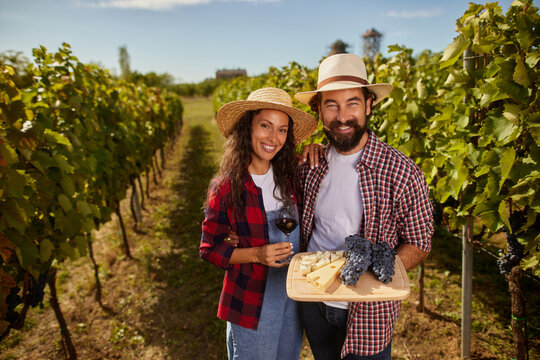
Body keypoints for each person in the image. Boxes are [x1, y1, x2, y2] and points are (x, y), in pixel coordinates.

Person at [294, 53, 434, 359]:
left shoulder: (402, 171)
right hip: (315, 304)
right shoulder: (309, 166)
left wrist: (368, 275)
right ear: (319, 110)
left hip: (370, 312)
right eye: (332, 105)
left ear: (369, 105)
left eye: (352, 103)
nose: (342, 116)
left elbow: (420, 243)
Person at [200, 87, 318, 360]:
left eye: (282, 130)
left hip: (291, 296)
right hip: (251, 301)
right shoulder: (227, 187)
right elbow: (209, 249)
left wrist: (317, 147)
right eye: (265, 125)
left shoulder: (292, 174)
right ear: (247, 128)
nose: (273, 138)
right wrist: (256, 254)